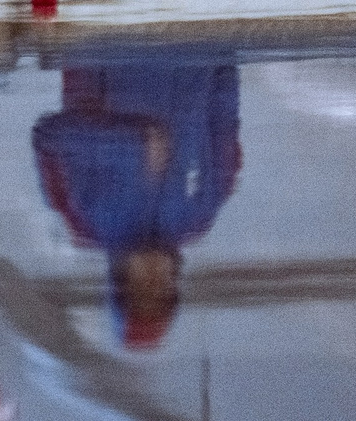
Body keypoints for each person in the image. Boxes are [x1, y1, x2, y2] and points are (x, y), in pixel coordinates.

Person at [30, 59, 242, 350]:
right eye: (162, 294)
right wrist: (220, 47)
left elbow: (48, 137)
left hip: (113, 42)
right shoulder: (201, 211)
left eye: (141, 291)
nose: (154, 282)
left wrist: (131, 142)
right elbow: (224, 106)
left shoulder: (82, 216)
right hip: (194, 43)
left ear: (120, 282)